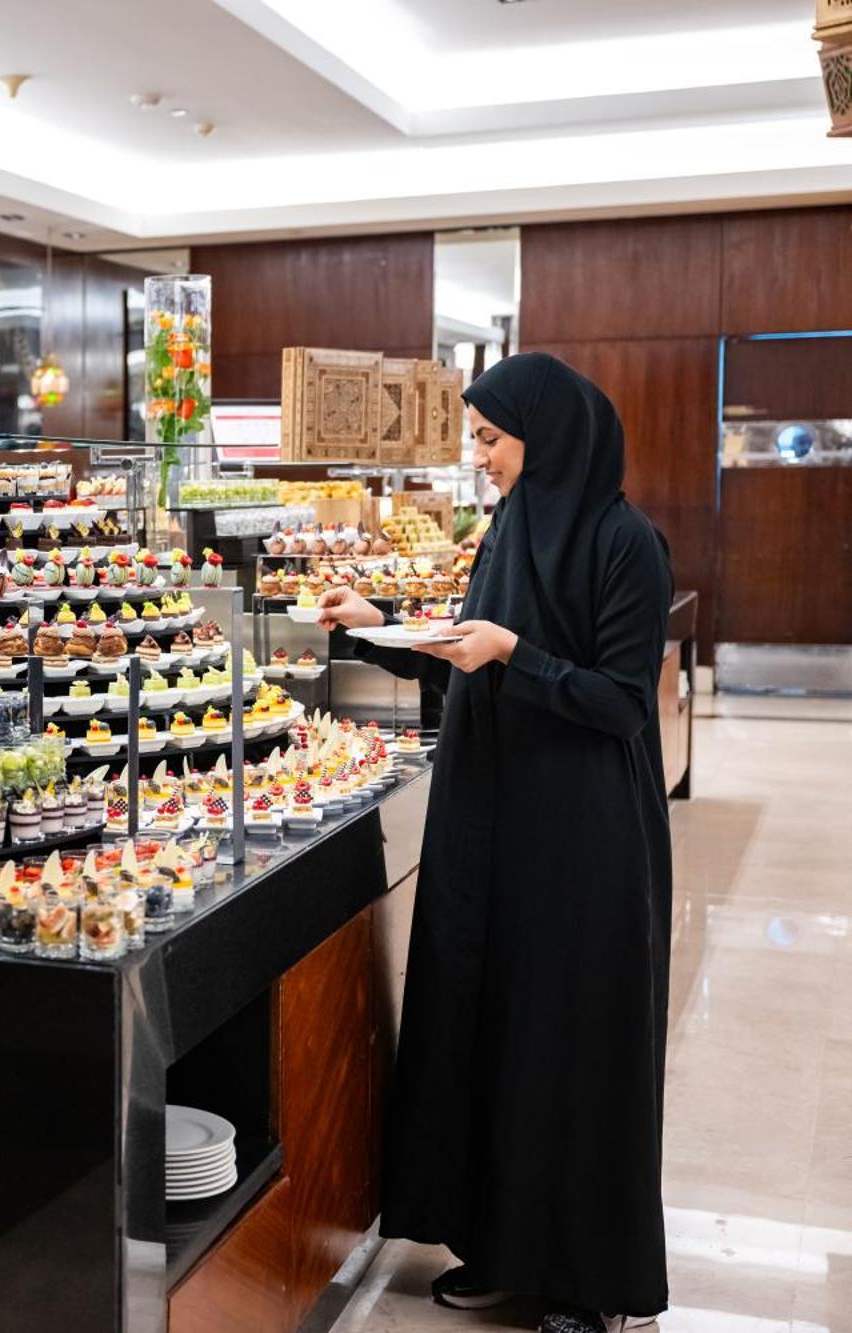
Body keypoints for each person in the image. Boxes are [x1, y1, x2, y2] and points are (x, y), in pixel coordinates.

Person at [317, 354, 673, 1333]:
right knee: (493, 1028)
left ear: (543, 435)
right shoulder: (508, 528)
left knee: (567, 1042)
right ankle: (503, 1246)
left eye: (486, 438)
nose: (475, 458)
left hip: (579, 832)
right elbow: (468, 656)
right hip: (492, 814)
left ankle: (589, 1284)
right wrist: (375, 629)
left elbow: (616, 702)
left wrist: (514, 655)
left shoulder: (621, 541)